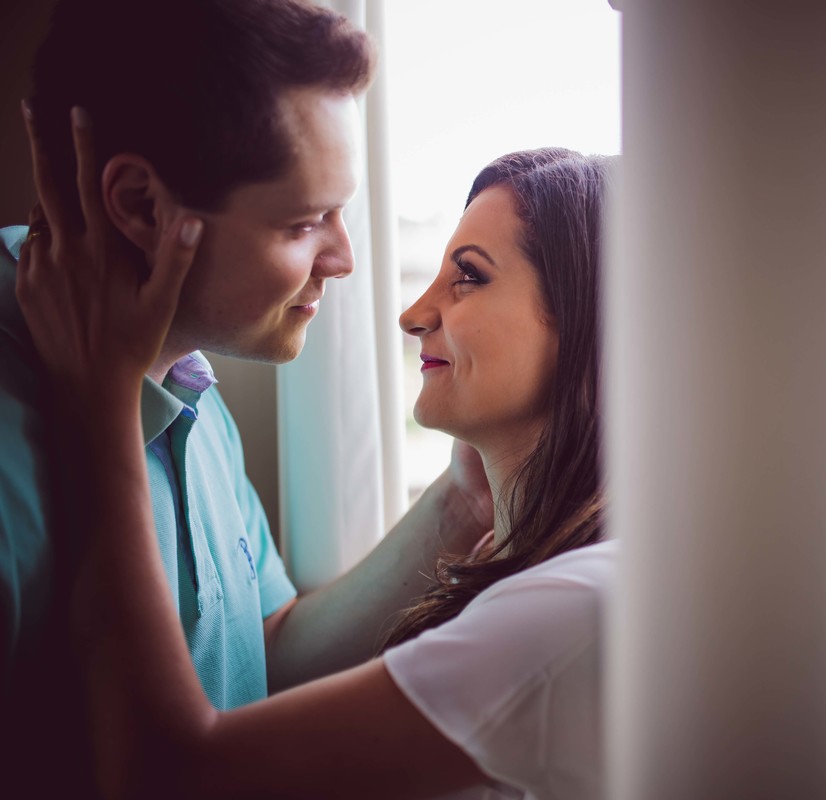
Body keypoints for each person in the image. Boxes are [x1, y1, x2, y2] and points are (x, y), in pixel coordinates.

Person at [19, 128, 615, 799]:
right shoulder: (198, 402)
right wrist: (462, 502)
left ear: (595, 325)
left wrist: (102, 410)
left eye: (469, 277)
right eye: (304, 220)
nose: (413, 315)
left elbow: (172, 773)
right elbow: (253, 659)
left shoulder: (569, 610)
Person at [0, 0, 494, 794]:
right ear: (138, 206)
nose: (342, 260)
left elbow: (256, 657)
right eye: (305, 222)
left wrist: (460, 508)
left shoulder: (179, 359)